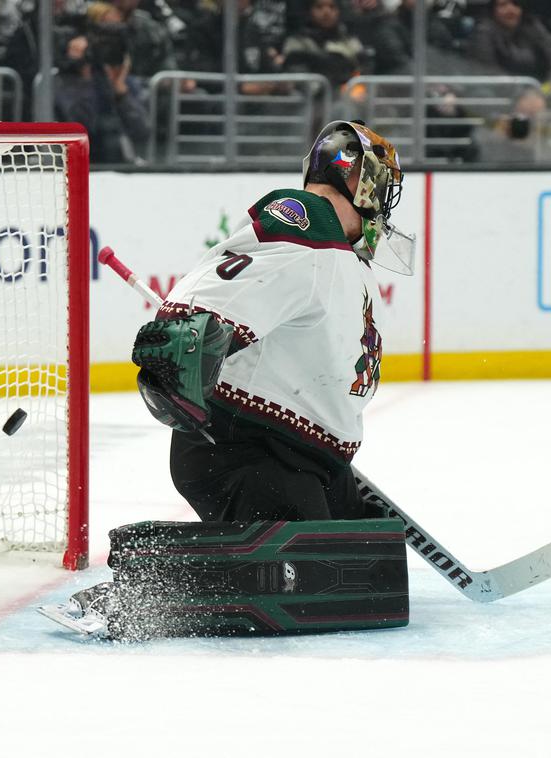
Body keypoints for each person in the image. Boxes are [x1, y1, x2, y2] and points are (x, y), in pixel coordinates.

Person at [143, 120, 412, 523]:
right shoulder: (309, 224)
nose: (384, 204)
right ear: (359, 179)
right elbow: (223, 282)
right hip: (251, 453)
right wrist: (184, 337)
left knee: (370, 569)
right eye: (382, 186)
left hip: (303, 457)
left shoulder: (337, 252)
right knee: (310, 577)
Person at [52, 30, 151, 163]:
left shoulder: (125, 85)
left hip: (120, 162)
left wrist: (121, 93)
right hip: (76, 162)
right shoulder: (60, 84)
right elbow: (81, 124)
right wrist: (86, 79)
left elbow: (142, 131)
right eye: (75, 50)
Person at [468, 0, 551, 87]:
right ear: (493, 10)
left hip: (538, 95)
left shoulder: (533, 26)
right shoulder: (483, 31)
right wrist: (521, 96)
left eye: (516, 4)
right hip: (497, 95)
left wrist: (543, 93)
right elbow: (489, 72)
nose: (511, 10)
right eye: (503, 5)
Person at [281, 0, 365, 92]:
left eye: (332, 7)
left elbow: (362, 72)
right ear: (309, 11)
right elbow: (296, 76)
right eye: (319, 7)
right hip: (309, 100)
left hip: (346, 98)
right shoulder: (296, 42)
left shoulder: (350, 42)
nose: (326, 12)